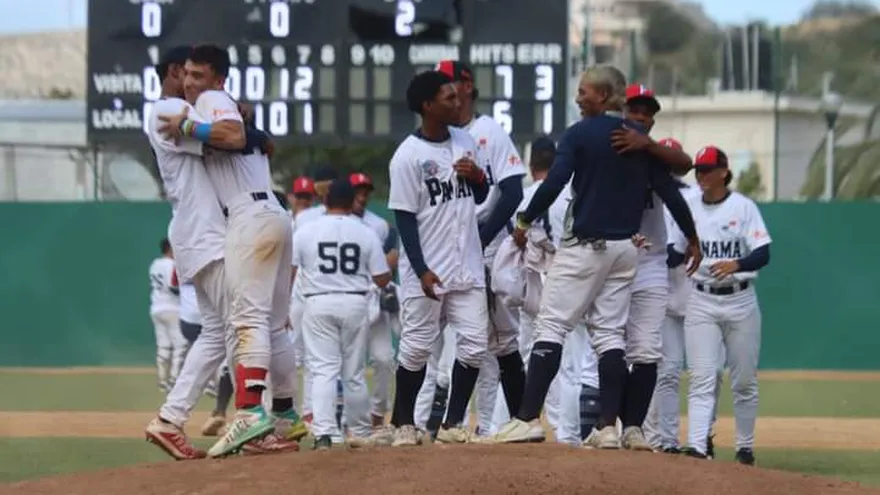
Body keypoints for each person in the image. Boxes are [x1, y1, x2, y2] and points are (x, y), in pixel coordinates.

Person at [490, 64, 700, 446]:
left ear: (603, 95)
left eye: (584, 91)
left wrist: (524, 218)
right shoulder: (636, 138)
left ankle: (526, 419)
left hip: (588, 246)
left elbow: (554, 182)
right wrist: (693, 236)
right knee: (608, 338)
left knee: (551, 326)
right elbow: (669, 191)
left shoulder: (579, 133)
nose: (578, 97)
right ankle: (607, 429)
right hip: (626, 251)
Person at [157, 44, 302, 458]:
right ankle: (286, 415)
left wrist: (189, 128)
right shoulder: (218, 104)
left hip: (248, 217)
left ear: (218, 80)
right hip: (272, 213)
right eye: (186, 74)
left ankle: (250, 413)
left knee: (247, 320)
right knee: (274, 325)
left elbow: (233, 135)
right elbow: (255, 139)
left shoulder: (208, 102)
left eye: (198, 75)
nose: (189, 82)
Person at [381, 70, 490, 447]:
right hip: (427, 269)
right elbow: (405, 220)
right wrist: (422, 269)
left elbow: (480, 196)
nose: (458, 101)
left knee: (476, 345)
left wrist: (477, 177)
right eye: (449, 97)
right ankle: (402, 423)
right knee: (416, 348)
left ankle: (452, 423)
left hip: (468, 265)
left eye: (457, 96)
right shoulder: (407, 157)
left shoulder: (465, 140)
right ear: (428, 106)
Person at [144, 46, 239, 460]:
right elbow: (228, 138)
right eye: (190, 73)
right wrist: (239, 118)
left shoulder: (177, 110)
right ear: (173, 71)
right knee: (240, 322)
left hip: (198, 229)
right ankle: (255, 416)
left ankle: (170, 419)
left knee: (219, 330)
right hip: (202, 232)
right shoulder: (167, 110)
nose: (194, 83)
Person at [592, 84, 695, 450]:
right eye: (634, 109)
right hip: (611, 253)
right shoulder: (606, 147)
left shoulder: (654, 157)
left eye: (647, 111)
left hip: (651, 258)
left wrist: (692, 237)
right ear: (622, 112)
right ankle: (607, 425)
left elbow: (683, 170)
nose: (640, 116)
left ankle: (632, 427)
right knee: (610, 342)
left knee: (648, 349)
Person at [434, 60, 526, 438]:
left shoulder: (489, 131)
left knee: (501, 339)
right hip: (446, 247)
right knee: (430, 338)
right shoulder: (436, 139)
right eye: (441, 87)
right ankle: (430, 420)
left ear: (468, 86)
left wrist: (484, 240)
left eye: (452, 83)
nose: (448, 92)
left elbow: (513, 192)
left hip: (486, 244)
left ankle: (513, 420)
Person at [669, 145, 771, 465]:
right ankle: (698, 445)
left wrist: (737, 264)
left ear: (724, 172)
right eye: (699, 169)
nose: (702, 175)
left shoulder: (743, 207)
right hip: (701, 298)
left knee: (743, 380)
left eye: (708, 169)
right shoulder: (689, 205)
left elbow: (763, 252)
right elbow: (674, 251)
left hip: (740, 299)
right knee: (702, 376)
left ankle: (745, 448)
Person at [292, 179, 393, 449]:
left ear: (324, 202)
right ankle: (358, 431)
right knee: (354, 373)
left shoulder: (306, 230)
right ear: (351, 204)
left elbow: (291, 272)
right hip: (354, 303)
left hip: (318, 302)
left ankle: (325, 435)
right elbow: (382, 278)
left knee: (323, 369)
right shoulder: (366, 232)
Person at [349, 172, 401, 430]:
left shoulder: (378, 224)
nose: (362, 194)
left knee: (384, 358)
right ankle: (349, 418)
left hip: (374, 298)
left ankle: (378, 412)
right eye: (357, 189)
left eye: (366, 190)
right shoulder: (337, 222)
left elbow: (390, 258)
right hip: (349, 300)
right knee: (350, 364)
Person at [149, 237, 184, 393]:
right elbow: (173, 287)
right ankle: (174, 379)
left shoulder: (155, 264)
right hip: (172, 308)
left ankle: (163, 380)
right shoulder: (172, 265)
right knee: (180, 345)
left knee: (163, 345)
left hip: (156, 308)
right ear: (170, 249)